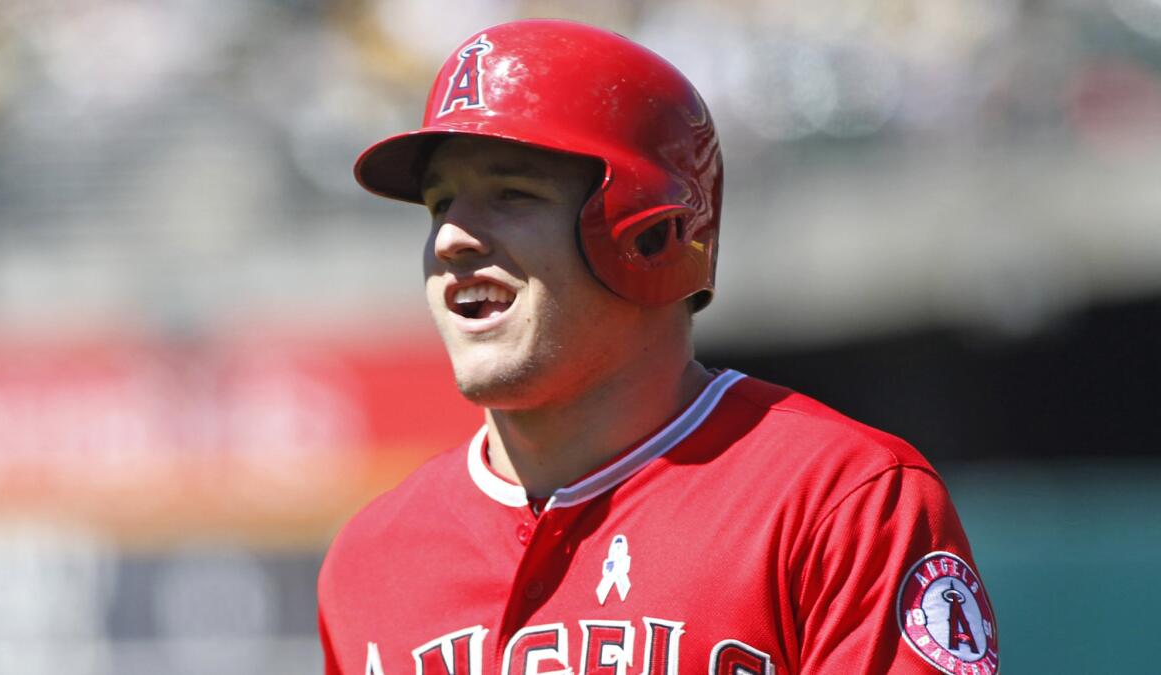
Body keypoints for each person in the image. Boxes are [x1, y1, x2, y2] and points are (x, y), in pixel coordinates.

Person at [319, 18, 998, 675]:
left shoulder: (837, 499)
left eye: (510, 193)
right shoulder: (371, 559)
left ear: (650, 233)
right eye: (440, 203)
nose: (450, 239)